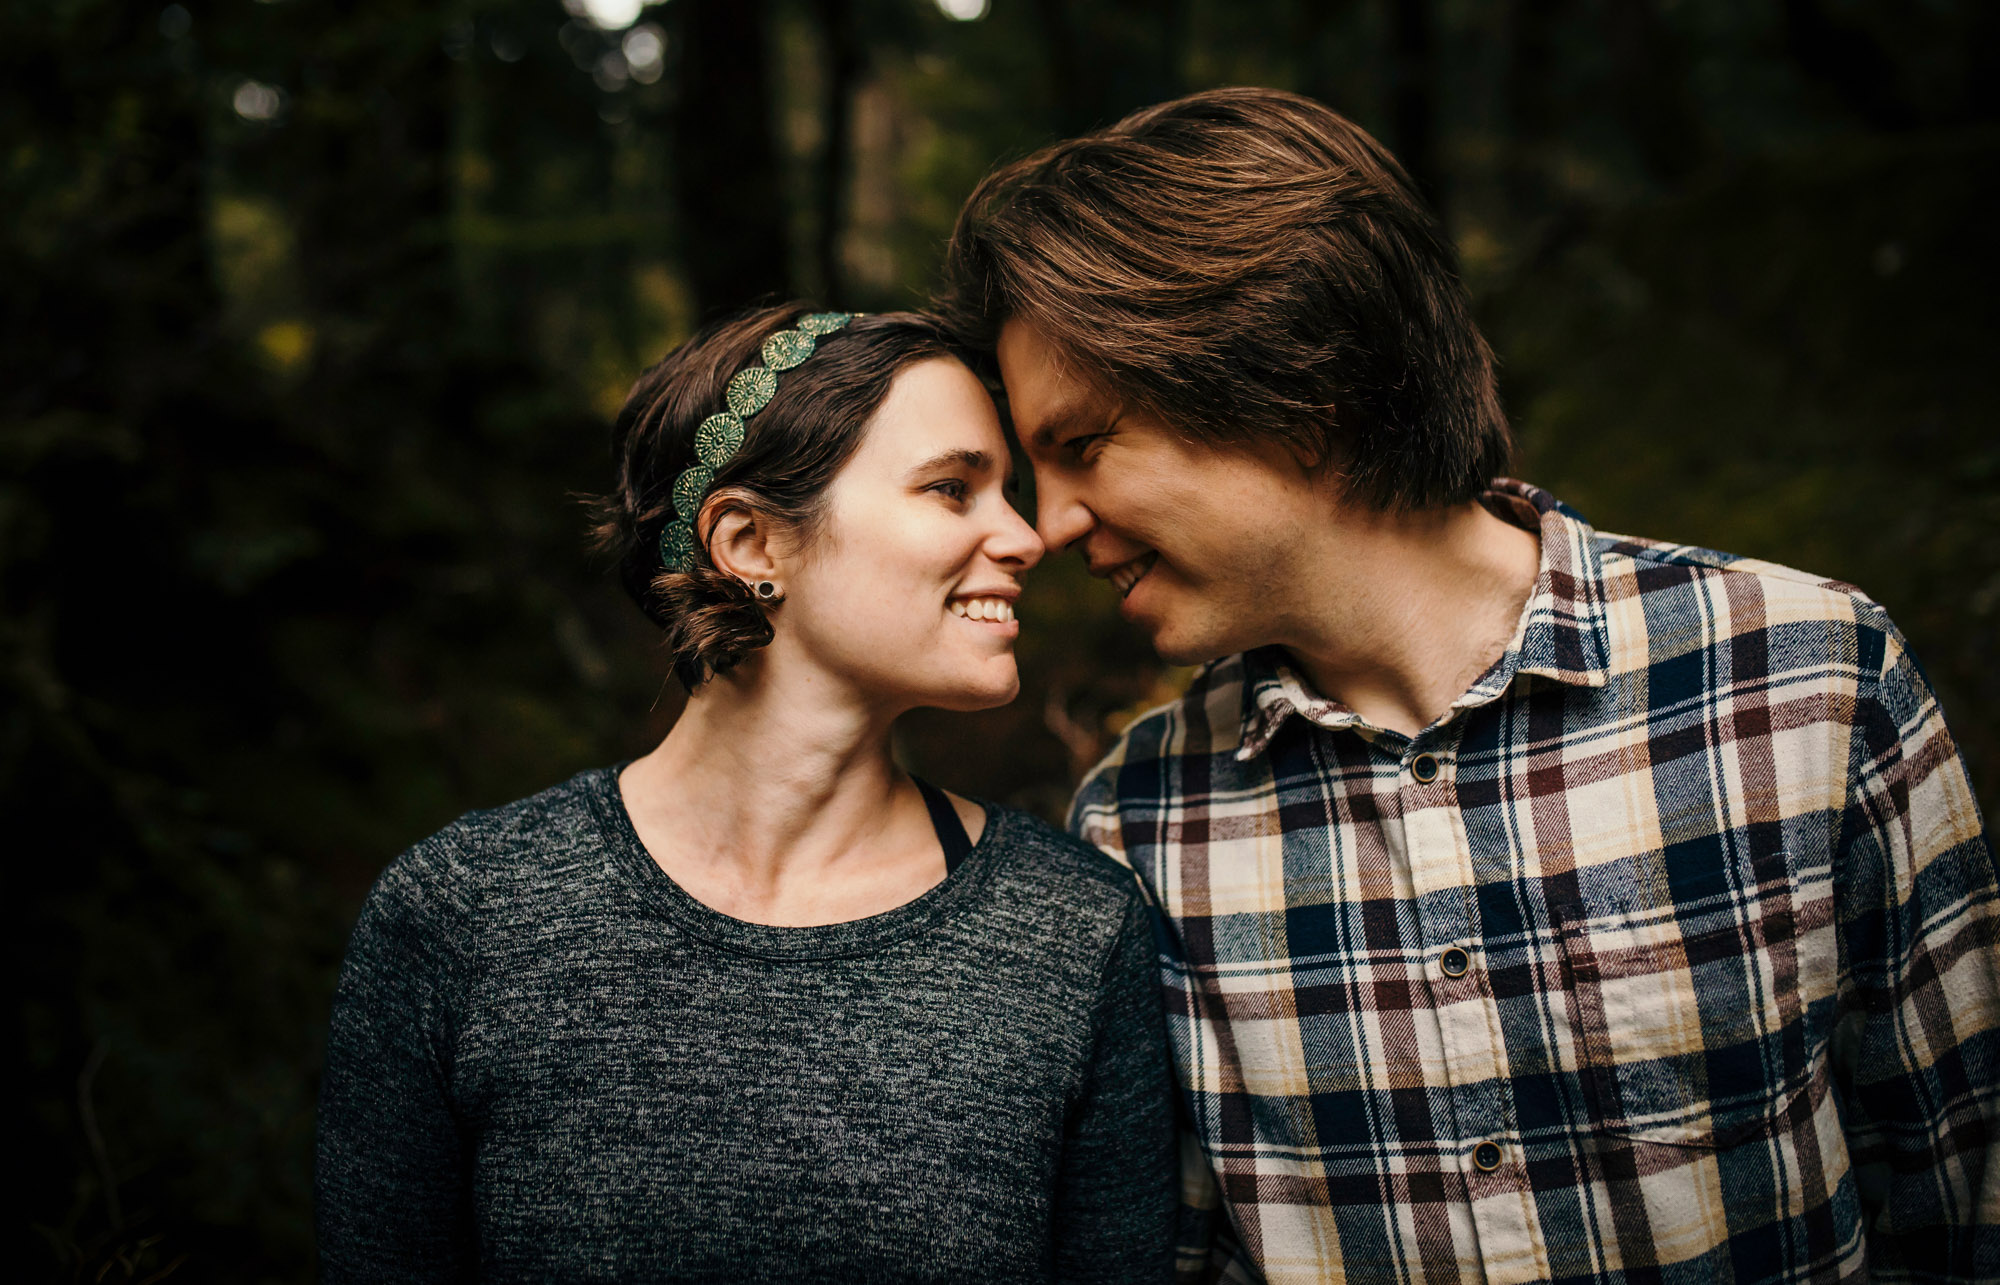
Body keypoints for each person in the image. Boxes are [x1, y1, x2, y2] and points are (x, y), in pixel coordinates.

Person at [941, 88, 2000, 1284]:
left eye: (1080, 446)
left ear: (1295, 384)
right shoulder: (1140, 821)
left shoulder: (1804, 678)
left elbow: (1962, 1194)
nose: (1047, 524)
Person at [315, 305, 1178, 1283]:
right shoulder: (463, 917)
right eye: (952, 488)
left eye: (1008, 494)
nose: (1024, 536)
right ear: (750, 542)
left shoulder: (1071, 930)